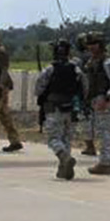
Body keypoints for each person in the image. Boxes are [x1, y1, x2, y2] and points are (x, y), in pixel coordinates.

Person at [35, 39, 86, 180]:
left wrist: (43, 96)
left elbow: (39, 88)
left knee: (53, 139)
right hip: (72, 108)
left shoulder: (50, 69)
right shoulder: (76, 69)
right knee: (67, 139)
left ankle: (64, 157)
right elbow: (83, 87)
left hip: (54, 108)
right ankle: (64, 169)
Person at [79, 32, 110, 175]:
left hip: (103, 100)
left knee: (104, 133)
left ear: (101, 45)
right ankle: (109, 162)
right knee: (101, 132)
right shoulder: (92, 61)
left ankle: (105, 163)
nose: (91, 47)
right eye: (89, 44)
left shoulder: (108, 62)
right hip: (94, 99)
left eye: (95, 44)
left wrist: (108, 99)